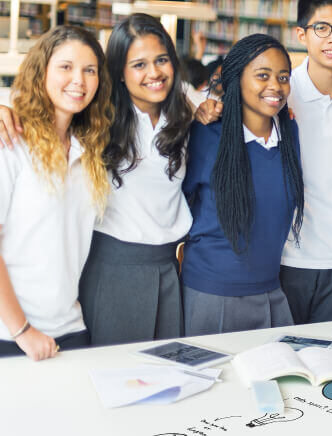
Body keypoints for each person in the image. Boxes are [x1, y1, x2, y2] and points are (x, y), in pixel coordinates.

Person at [195, 0, 332, 324]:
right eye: (322, 28)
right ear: (301, 34)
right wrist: (208, 107)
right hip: (286, 254)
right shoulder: (282, 89)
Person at [79, 14, 193, 345]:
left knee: (169, 378)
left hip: (169, 268)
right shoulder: (98, 120)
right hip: (115, 267)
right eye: (139, 65)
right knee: (117, 379)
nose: (154, 73)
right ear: (119, 73)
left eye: (161, 60)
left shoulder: (184, 112)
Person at [0, 26, 112, 359]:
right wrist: (22, 331)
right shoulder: (11, 143)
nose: (79, 79)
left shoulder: (88, 150)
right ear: (41, 71)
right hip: (13, 334)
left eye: (89, 70)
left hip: (71, 328)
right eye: (66, 67)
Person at [181, 33, 303, 335]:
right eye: (262, 75)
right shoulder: (205, 134)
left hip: (271, 290)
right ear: (236, 78)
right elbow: (178, 206)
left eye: (283, 76)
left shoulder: (289, 134)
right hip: (211, 293)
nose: (275, 86)